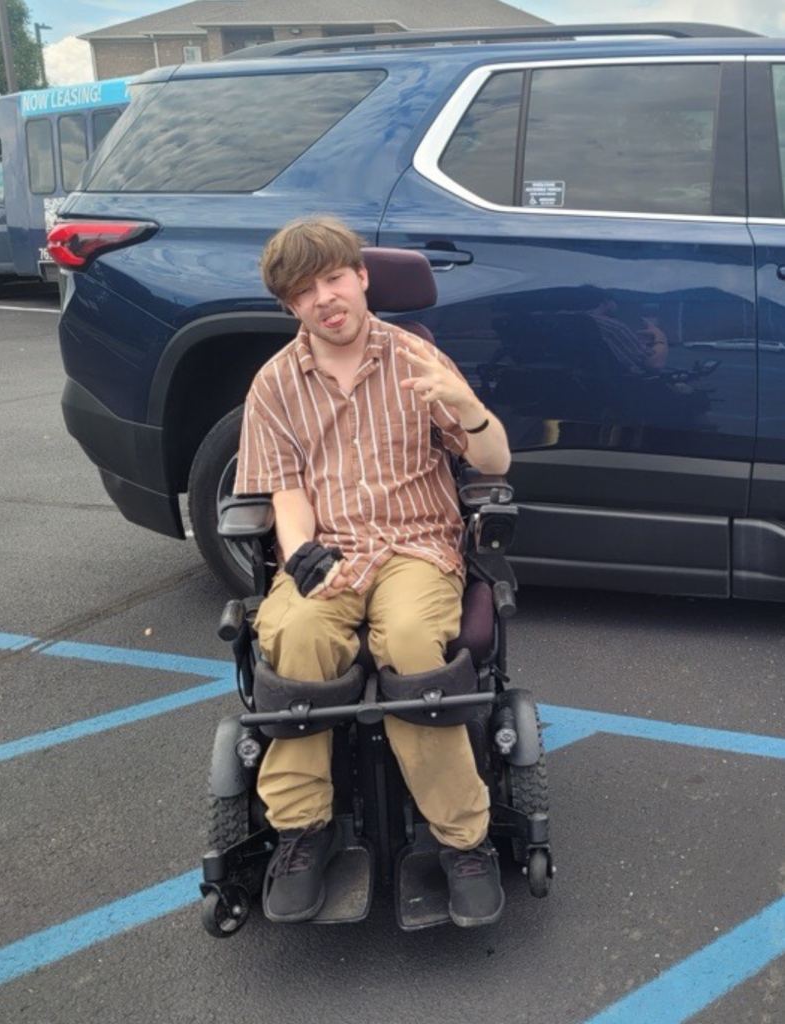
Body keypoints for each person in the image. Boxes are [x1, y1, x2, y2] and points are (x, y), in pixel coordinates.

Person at [234, 216, 512, 928]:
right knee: (296, 635)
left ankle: (463, 840)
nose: (324, 299)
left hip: (416, 546)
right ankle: (304, 830)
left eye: (333, 278)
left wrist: (467, 408)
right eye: (304, 291)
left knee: (413, 643)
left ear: (361, 278)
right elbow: (287, 496)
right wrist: (301, 554)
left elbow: (494, 463)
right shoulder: (274, 384)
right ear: (290, 306)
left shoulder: (417, 358)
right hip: (330, 548)